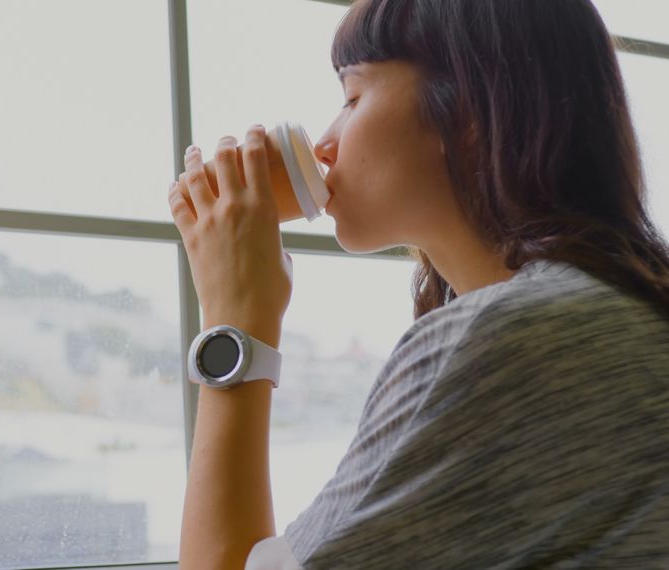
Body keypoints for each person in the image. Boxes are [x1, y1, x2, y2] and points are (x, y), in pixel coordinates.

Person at [166, 0, 669, 567]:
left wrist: (237, 318)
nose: (325, 144)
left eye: (352, 97)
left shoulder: (512, 337)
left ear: (470, 112)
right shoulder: (625, 312)